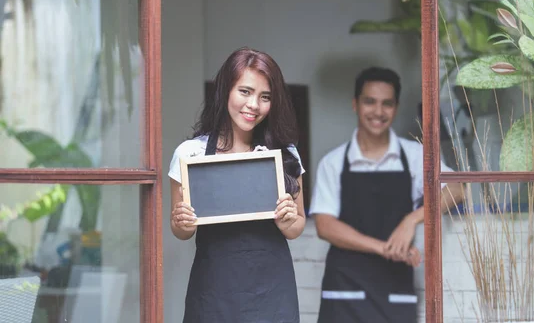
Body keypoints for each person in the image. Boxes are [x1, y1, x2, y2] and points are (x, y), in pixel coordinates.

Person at [310, 67, 462, 323]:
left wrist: (412, 219)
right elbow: (325, 226)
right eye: (370, 102)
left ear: (396, 107)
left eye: (386, 104)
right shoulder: (333, 162)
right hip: (344, 290)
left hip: (394, 290)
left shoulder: (415, 155)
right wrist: (384, 248)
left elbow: (457, 189)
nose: (378, 112)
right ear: (355, 104)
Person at [168, 47, 306, 323]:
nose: (254, 105)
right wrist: (182, 222)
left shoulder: (285, 154)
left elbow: (297, 226)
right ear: (225, 91)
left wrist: (288, 219)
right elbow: (181, 230)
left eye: (265, 97)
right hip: (214, 294)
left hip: (272, 293)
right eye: (245, 91)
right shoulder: (190, 154)